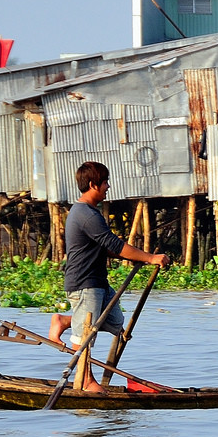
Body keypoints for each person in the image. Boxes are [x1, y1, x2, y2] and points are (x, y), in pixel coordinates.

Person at [46, 161, 171, 393]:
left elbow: (106, 246)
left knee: (115, 322)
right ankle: (85, 380)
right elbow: (114, 243)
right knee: (85, 334)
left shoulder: (90, 212)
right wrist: (150, 257)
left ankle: (64, 321)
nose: (108, 186)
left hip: (97, 281)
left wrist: (139, 257)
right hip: (84, 282)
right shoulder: (85, 213)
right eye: (105, 182)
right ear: (93, 184)